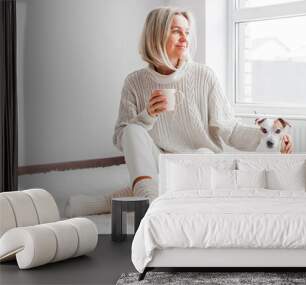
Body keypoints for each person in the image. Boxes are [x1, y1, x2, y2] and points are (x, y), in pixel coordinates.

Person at [113, 7, 293, 200]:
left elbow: (230, 129)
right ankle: (148, 198)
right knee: (132, 129)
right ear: (156, 34)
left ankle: (142, 196)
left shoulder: (204, 76)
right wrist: (147, 116)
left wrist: (267, 135)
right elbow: (122, 138)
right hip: (161, 166)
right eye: (176, 31)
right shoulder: (134, 82)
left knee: (204, 153)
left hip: (198, 165)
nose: (184, 38)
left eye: (187, 32)